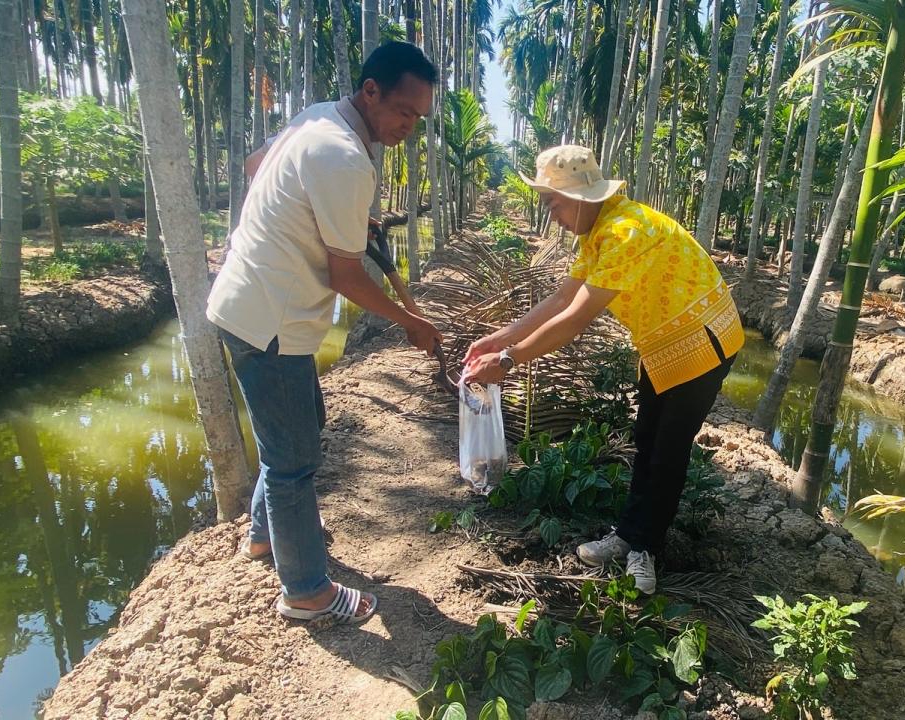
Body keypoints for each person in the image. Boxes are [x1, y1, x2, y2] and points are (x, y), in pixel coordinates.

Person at [207, 41, 443, 625]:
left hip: (248, 304)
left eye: (419, 118)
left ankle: (264, 537)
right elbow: (345, 275)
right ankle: (306, 592)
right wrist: (409, 320)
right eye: (405, 113)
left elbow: (256, 167)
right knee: (293, 462)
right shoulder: (344, 158)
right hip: (272, 323)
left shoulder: (317, 117)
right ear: (371, 92)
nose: (411, 127)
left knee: (299, 428)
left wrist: (328, 214)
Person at [464, 145, 744, 594]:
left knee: (666, 449)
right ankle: (631, 535)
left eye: (553, 203)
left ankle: (644, 549)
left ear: (580, 198)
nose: (551, 213)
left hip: (703, 342)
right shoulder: (598, 232)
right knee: (647, 438)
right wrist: (500, 338)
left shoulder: (624, 233)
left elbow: (575, 319)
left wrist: (509, 360)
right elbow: (560, 298)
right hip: (664, 343)